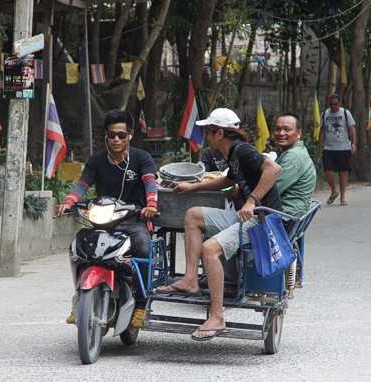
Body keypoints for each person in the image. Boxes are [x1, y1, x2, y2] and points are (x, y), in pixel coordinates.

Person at [156, 107, 281, 341]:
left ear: (220, 134)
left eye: (208, 132)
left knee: (209, 249)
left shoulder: (243, 150)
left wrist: (252, 201)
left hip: (263, 219)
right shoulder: (232, 154)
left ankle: (217, 316)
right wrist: (192, 187)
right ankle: (191, 280)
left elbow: (274, 169)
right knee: (193, 215)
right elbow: (227, 180)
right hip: (244, 216)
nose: (206, 136)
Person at [57, 110, 158, 328]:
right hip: (103, 220)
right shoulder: (97, 160)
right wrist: (69, 201)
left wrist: (151, 205)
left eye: (122, 135)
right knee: (79, 247)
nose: (116, 139)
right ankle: (80, 298)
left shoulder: (142, 158)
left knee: (142, 246)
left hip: (134, 220)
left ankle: (141, 304)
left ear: (130, 135)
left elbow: (150, 182)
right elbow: (83, 184)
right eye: (112, 135)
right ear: (106, 136)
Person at [273, 112, 317, 218]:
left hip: (284, 216)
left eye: (287, 129)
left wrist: (241, 193)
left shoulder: (293, 156)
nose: (281, 133)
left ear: (298, 133)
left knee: (228, 235)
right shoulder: (292, 152)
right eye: (277, 129)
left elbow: (271, 190)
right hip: (282, 212)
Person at [320, 94, 356, 206]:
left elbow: (352, 130)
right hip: (328, 147)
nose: (333, 106)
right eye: (331, 104)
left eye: (336, 104)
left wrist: (353, 143)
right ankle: (334, 191)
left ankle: (343, 197)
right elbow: (322, 131)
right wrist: (320, 145)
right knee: (328, 171)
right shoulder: (325, 114)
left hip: (343, 147)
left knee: (343, 173)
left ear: (339, 103)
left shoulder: (345, 113)